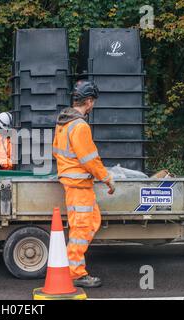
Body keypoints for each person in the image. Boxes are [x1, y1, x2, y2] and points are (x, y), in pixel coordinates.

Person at [52, 80, 116, 288]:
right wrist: (106, 177)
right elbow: (89, 159)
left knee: (92, 221)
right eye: (93, 102)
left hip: (73, 182)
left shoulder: (63, 123)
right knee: (81, 228)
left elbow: (58, 152)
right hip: (79, 184)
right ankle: (76, 273)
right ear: (88, 101)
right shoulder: (80, 126)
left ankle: (73, 264)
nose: (93, 106)